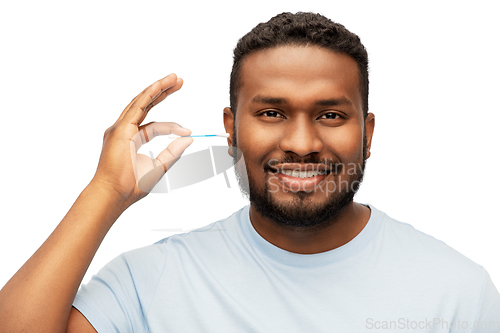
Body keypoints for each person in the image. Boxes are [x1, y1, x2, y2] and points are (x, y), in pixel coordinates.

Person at [0, 12, 499, 333]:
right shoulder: (152, 281)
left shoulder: (457, 292)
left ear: (367, 133)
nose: (302, 144)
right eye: (271, 113)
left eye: (330, 115)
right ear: (231, 129)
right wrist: (106, 191)